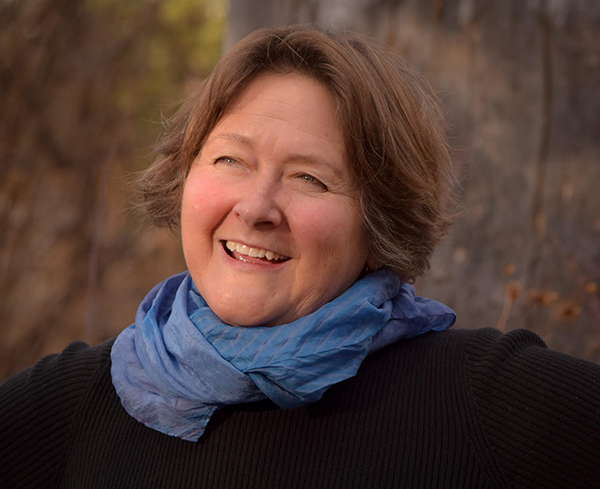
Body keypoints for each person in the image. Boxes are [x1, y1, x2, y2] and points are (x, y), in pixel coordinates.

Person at [1, 25, 599, 489]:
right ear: (185, 178)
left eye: (310, 179)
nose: (257, 206)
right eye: (230, 160)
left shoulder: (482, 398)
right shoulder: (81, 401)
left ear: (379, 219)